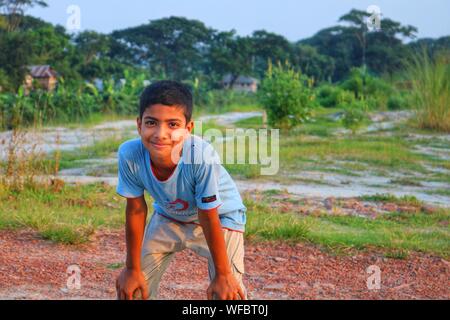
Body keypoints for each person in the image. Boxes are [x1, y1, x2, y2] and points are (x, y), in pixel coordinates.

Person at [115, 80, 247, 300]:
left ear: (188, 129)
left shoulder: (200, 156)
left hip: (221, 217)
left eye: (173, 125)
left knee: (226, 293)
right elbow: (136, 209)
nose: (161, 133)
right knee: (133, 290)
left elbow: (208, 213)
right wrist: (131, 268)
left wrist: (223, 274)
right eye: (151, 123)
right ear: (139, 125)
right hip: (170, 216)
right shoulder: (130, 154)